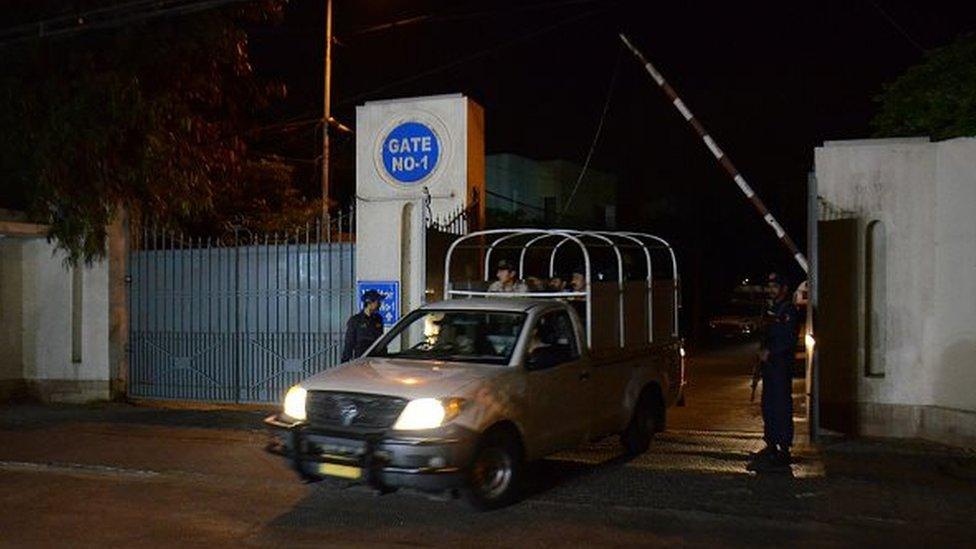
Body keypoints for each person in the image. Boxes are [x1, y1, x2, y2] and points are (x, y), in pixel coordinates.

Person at [748, 272, 799, 472]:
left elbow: (788, 340)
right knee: (768, 405)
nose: (771, 289)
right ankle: (770, 444)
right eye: (770, 286)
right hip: (769, 367)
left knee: (781, 406)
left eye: (775, 286)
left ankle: (784, 448)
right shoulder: (771, 309)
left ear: (784, 289)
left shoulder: (788, 310)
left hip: (780, 365)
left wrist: (771, 352)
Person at [341, 289, 385, 362]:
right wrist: (345, 361)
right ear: (369, 302)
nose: (379, 304)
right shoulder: (355, 320)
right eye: (378, 301)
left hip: (377, 360)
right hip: (361, 360)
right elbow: (349, 343)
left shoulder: (378, 319)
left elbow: (381, 340)